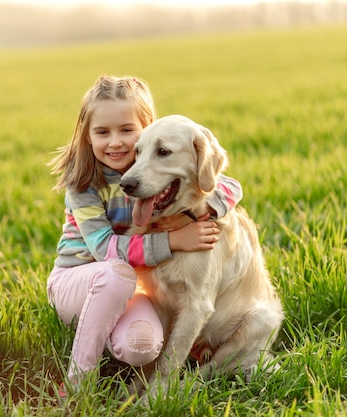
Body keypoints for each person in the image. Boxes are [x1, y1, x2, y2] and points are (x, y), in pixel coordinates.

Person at [47, 75, 243, 392]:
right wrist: (174, 240)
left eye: (126, 130)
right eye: (102, 132)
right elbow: (104, 250)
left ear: (148, 128)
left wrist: (209, 210)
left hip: (124, 290)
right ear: (87, 136)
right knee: (117, 274)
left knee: (141, 345)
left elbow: (229, 184)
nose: (115, 142)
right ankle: (77, 384)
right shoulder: (83, 186)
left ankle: (112, 344)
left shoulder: (149, 172)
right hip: (77, 282)